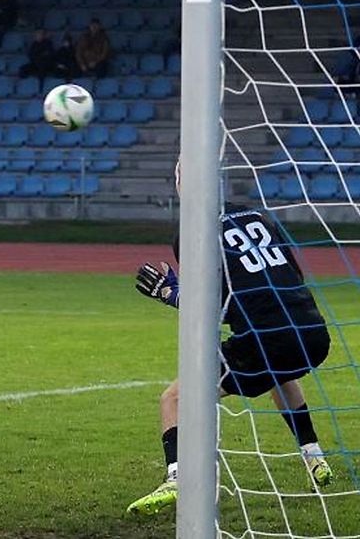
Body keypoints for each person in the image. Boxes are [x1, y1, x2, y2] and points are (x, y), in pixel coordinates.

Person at [126, 162, 333, 516]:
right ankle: (315, 458)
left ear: (181, 184)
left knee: (173, 399)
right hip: (313, 333)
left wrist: (170, 293)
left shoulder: (192, 232)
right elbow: (292, 275)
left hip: (265, 340)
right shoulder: (260, 216)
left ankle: (177, 477)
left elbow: (205, 309)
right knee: (281, 374)